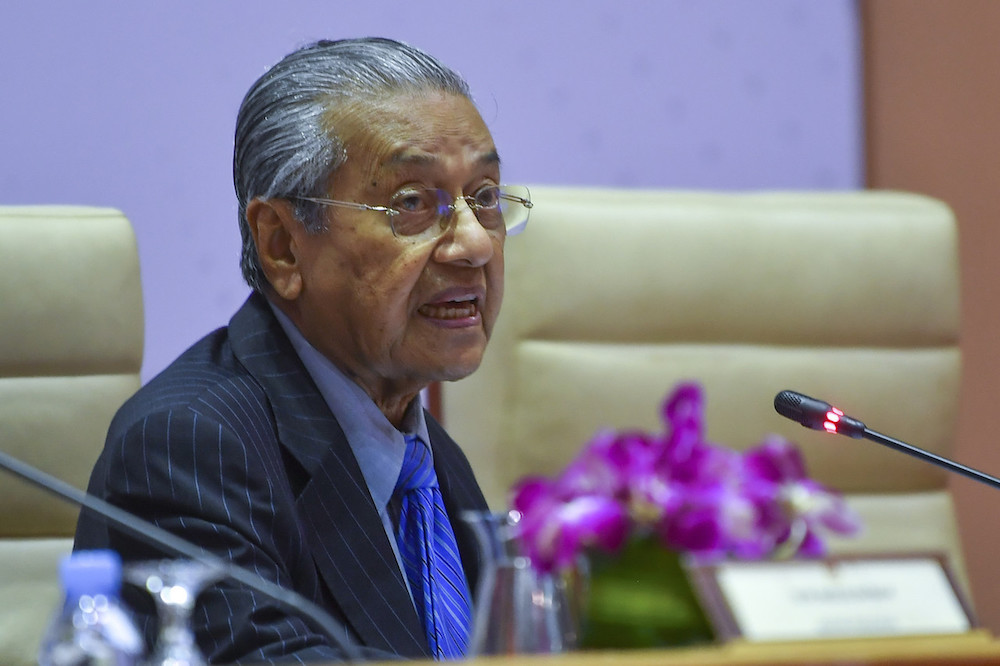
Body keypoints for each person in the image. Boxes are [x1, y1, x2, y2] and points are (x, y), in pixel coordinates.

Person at [74, 37, 532, 663]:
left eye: (484, 197)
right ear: (283, 245)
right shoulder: (190, 447)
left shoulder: (423, 456)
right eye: (411, 204)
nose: (474, 244)